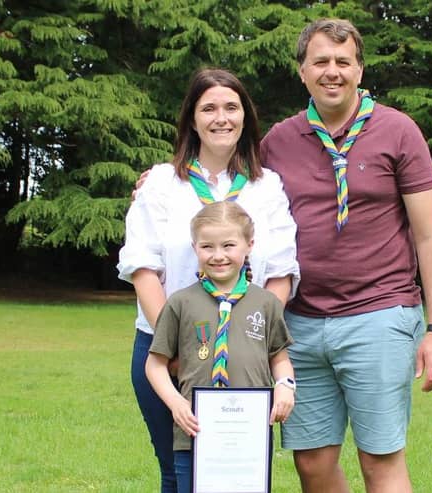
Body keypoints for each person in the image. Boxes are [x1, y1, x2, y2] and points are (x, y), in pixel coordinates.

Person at [259, 18, 432, 493]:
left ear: (359, 70)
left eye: (343, 62)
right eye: (320, 61)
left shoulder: (398, 131)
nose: (332, 71)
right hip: (299, 324)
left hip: (380, 316)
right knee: (311, 464)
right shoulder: (278, 141)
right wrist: (162, 178)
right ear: (301, 71)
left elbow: (430, 236)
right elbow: (231, 196)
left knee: (379, 462)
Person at [117, 68, 299, 493]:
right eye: (209, 108)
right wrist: (177, 344)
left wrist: (255, 344)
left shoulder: (267, 187)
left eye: (231, 107)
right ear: (192, 119)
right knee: (178, 473)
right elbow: (144, 269)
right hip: (166, 351)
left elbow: (281, 274)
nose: (222, 118)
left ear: (246, 118)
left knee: (239, 478)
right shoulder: (161, 184)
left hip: (247, 353)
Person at [145, 201, 296, 493]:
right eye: (207, 247)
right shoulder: (180, 302)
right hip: (194, 434)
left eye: (228, 245)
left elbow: (279, 358)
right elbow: (155, 363)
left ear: (249, 245)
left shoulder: (265, 303)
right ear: (194, 247)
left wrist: (286, 385)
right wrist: (176, 403)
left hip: (250, 437)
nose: (218, 256)